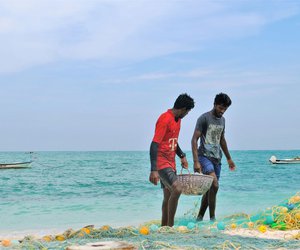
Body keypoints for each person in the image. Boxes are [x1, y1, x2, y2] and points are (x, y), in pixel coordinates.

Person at [149, 93, 195, 227]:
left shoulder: (177, 120)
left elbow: (172, 141)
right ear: (183, 109)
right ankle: (170, 227)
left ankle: (164, 228)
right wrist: (153, 170)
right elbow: (154, 144)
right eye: (188, 112)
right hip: (162, 163)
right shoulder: (165, 119)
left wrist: (181, 155)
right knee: (178, 188)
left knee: (168, 197)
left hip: (171, 162)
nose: (187, 115)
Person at [191, 93, 236, 221]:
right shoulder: (204, 118)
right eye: (221, 108)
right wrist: (196, 161)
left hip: (217, 159)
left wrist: (229, 158)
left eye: (225, 109)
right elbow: (194, 139)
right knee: (214, 185)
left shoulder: (223, 120)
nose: (222, 111)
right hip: (204, 157)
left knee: (210, 189)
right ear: (215, 104)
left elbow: (222, 139)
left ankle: (199, 218)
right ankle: (212, 219)